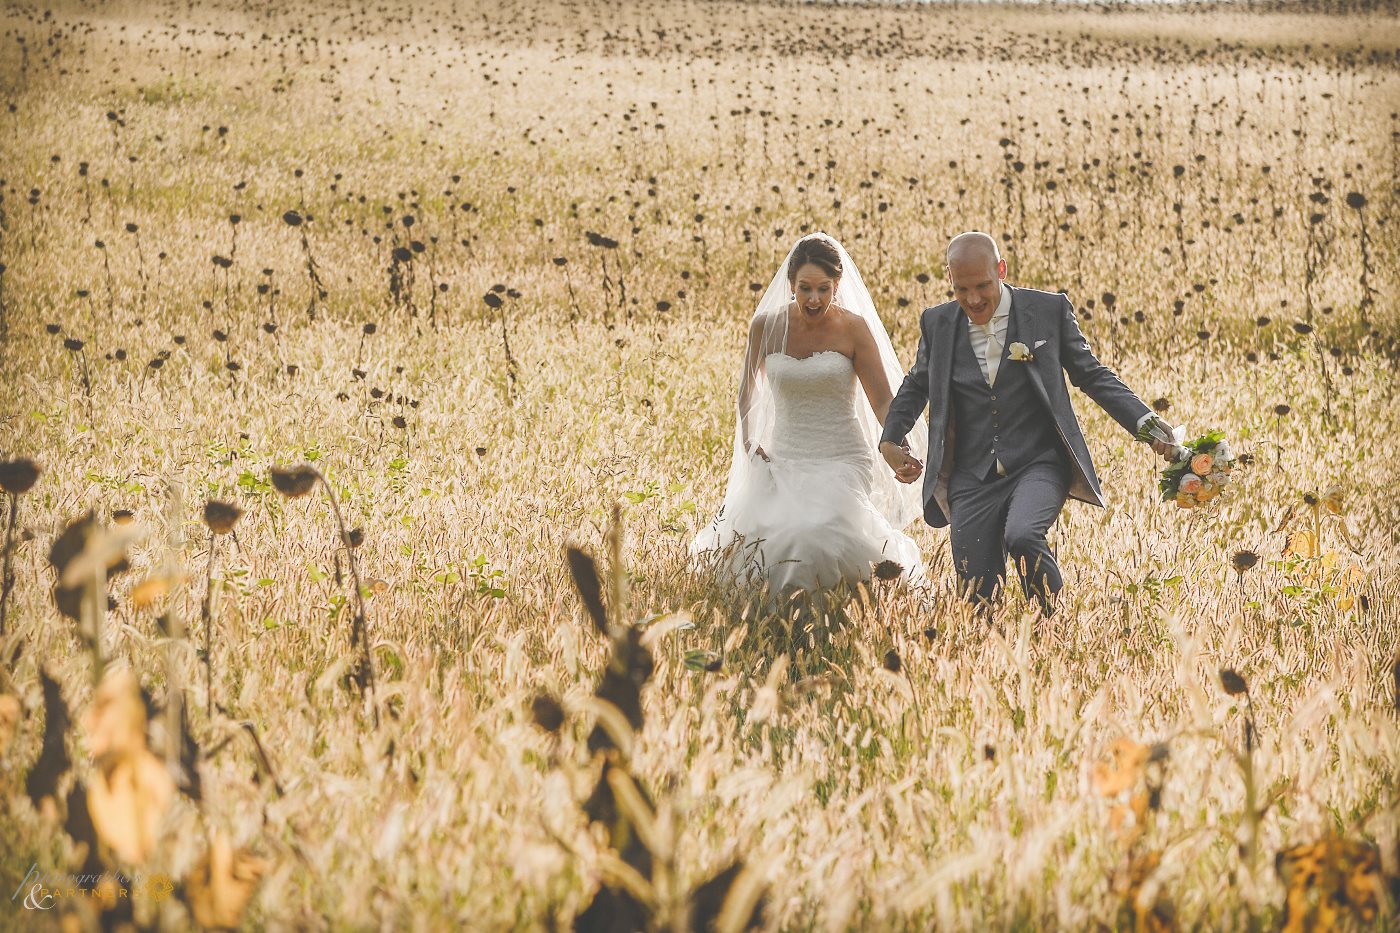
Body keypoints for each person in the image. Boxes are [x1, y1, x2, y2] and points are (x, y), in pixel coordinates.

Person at [878, 232, 1177, 614]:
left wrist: (1146, 424)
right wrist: (892, 438)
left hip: (1037, 463)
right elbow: (918, 383)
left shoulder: (1047, 311)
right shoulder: (937, 323)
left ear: (1001, 270)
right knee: (977, 596)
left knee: (1022, 535)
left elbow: (1092, 375)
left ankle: (1054, 622)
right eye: (961, 289)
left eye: (983, 286)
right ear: (950, 281)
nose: (973, 299)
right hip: (971, 475)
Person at [691, 233, 926, 601]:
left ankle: (846, 607)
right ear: (790, 286)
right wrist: (752, 443)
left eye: (823, 289)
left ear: (837, 285)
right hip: (784, 455)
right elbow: (746, 396)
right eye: (804, 289)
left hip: (842, 455)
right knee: (782, 533)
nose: (814, 299)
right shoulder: (765, 328)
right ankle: (786, 621)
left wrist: (898, 444)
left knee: (818, 529)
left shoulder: (853, 329)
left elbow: (882, 399)